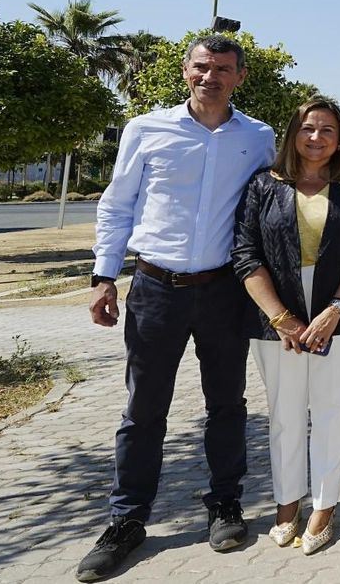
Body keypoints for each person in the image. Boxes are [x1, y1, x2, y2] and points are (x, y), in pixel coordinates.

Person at [77, 35, 275, 582]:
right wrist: (102, 277)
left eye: (223, 69)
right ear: (186, 70)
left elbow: (267, 210)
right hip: (155, 289)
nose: (210, 76)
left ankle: (226, 504)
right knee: (143, 411)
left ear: (240, 77)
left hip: (223, 294)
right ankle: (127, 518)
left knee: (227, 405)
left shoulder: (258, 138)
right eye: (201, 66)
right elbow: (116, 206)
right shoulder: (145, 129)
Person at [231, 96, 340, 554]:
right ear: (293, 133)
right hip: (276, 316)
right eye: (308, 128)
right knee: (285, 414)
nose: (316, 138)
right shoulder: (263, 185)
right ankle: (286, 502)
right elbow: (245, 253)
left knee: (333, 412)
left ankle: (324, 505)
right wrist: (281, 317)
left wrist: (335, 309)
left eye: (328, 131)